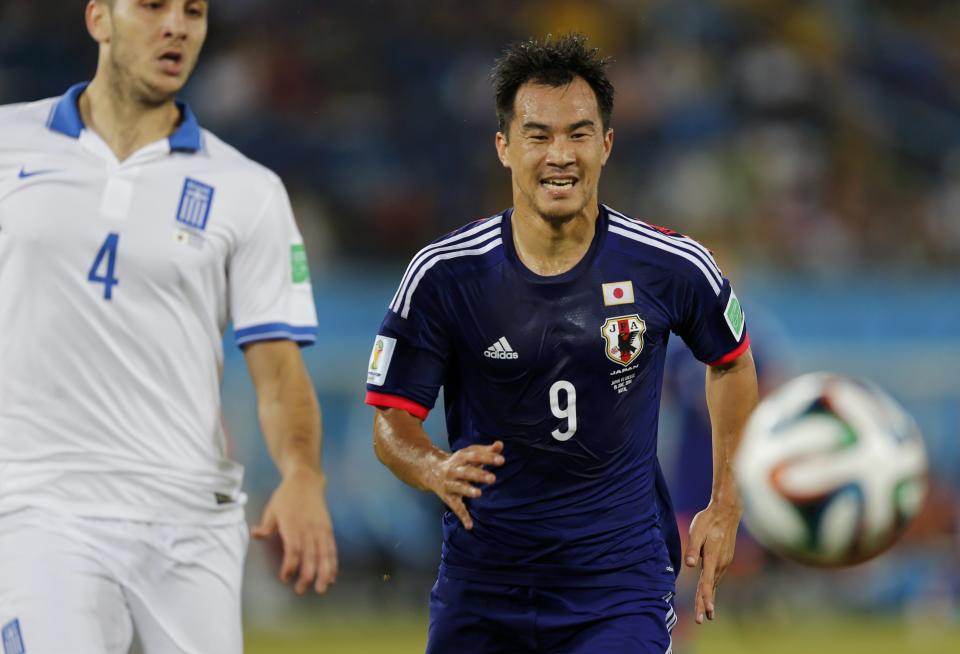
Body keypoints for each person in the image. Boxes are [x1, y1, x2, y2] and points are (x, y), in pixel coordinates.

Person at [365, 33, 759, 653]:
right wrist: (433, 466)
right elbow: (391, 419)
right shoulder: (444, 275)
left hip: (618, 585)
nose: (560, 155)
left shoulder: (670, 265)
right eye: (538, 135)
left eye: (578, 134)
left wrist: (726, 500)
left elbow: (731, 362)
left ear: (606, 144)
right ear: (504, 146)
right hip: (482, 584)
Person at [0, 1, 336, 652]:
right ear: (99, 18)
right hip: (40, 502)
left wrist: (302, 475)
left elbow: (277, 373)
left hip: (189, 517)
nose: (177, 26)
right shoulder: (8, 143)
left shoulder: (249, 190)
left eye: (194, 11)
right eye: (153, 6)